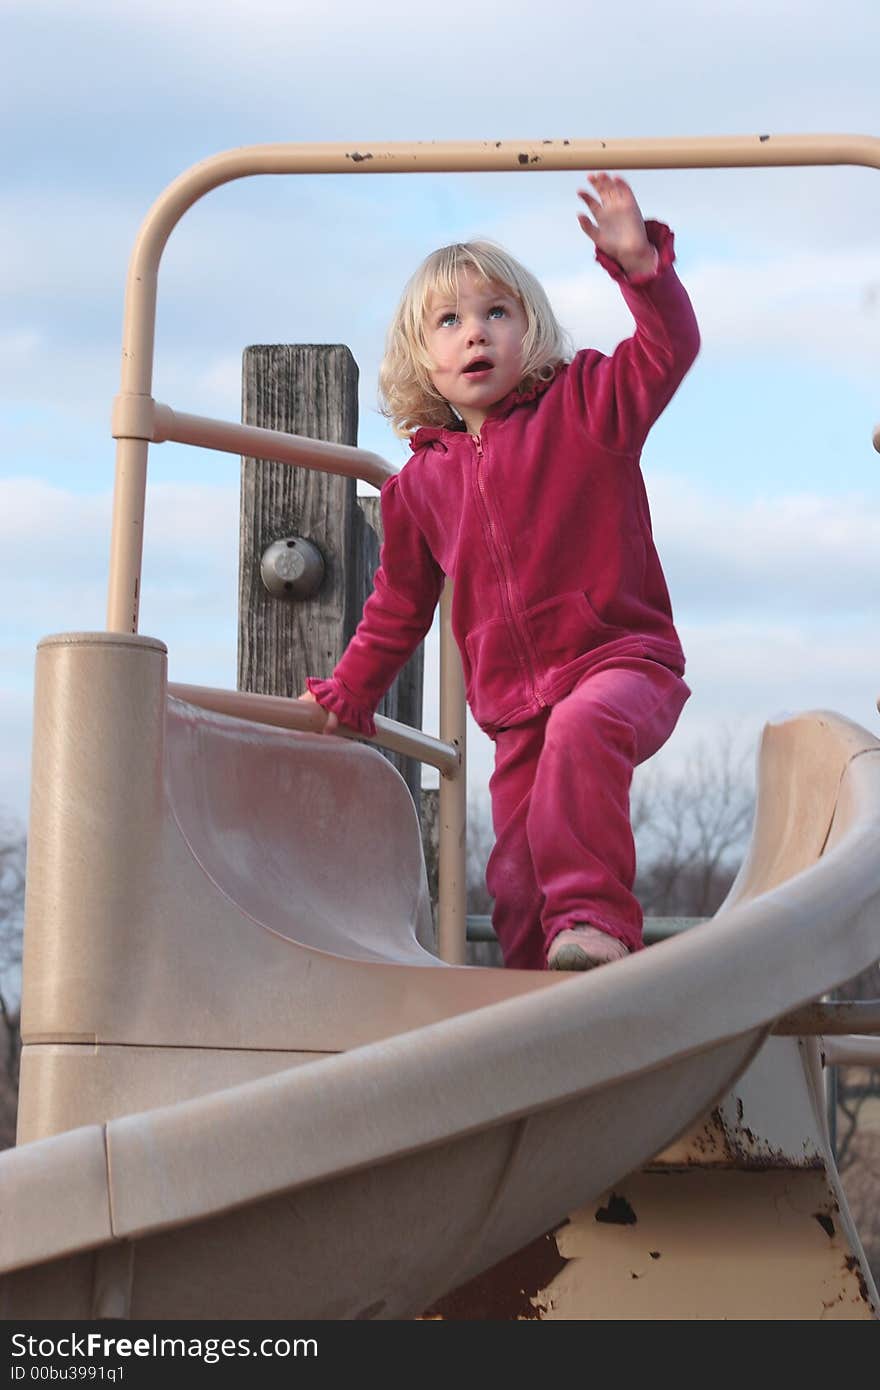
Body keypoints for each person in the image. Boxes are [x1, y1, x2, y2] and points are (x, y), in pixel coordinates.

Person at [302, 174, 700, 972]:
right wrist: (349, 692)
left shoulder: (588, 406)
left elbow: (668, 352)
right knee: (516, 873)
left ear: (531, 330)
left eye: (495, 313)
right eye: (448, 321)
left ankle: (596, 925)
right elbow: (398, 608)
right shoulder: (419, 488)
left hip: (623, 665)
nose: (474, 333)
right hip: (516, 713)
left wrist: (641, 269)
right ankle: (527, 1006)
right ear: (424, 356)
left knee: (584, 739)